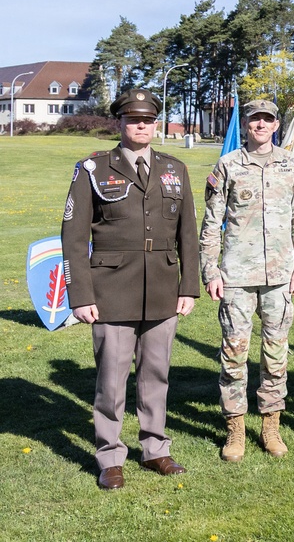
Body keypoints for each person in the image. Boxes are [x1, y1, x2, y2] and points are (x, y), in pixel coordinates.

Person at [60, 88, 199, 490]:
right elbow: (73, 237)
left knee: (156, 374)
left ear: (155, 122)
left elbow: (187, 234)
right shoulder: (92, 168)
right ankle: (110, 455)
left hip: (161, 288)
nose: (142, 125)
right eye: (133, 119)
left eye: (148, 119)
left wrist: (187, 286)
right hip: (110, 290)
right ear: (119, 122)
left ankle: (156, 448)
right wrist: (81, 295)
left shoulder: (174, 168)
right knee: (111, 378)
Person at [199, 99, 294, 462]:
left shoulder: (291, 164)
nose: (261, 125)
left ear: (276, 124)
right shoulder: (229, 165)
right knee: (234, 354)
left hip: (279, 276)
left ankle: (270, 425)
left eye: (267, 119)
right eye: (254, 119)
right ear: (245, 124)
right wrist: (210, 270)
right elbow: (212, 223)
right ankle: (235, 429)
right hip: (236, 276)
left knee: (276, 354)